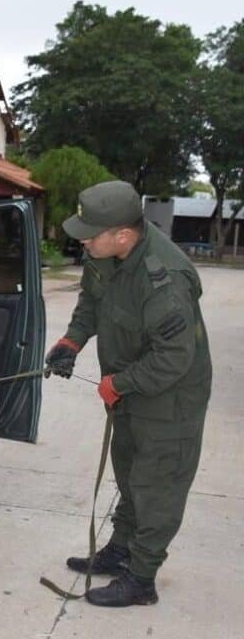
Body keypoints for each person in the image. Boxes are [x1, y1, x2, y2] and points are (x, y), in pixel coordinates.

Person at [45, 180, 211, 607]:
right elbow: (91, 302)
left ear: (122, 234)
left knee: (157, 486)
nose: (82, 241)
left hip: (170, 398)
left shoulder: (165, 280)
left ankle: (141, 578)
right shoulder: (103, 254)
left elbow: (173, 358)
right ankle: (120, 549)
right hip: (130, 387)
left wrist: (119, 384)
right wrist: (71, 341)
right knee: (130, 471)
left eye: (90, 234)